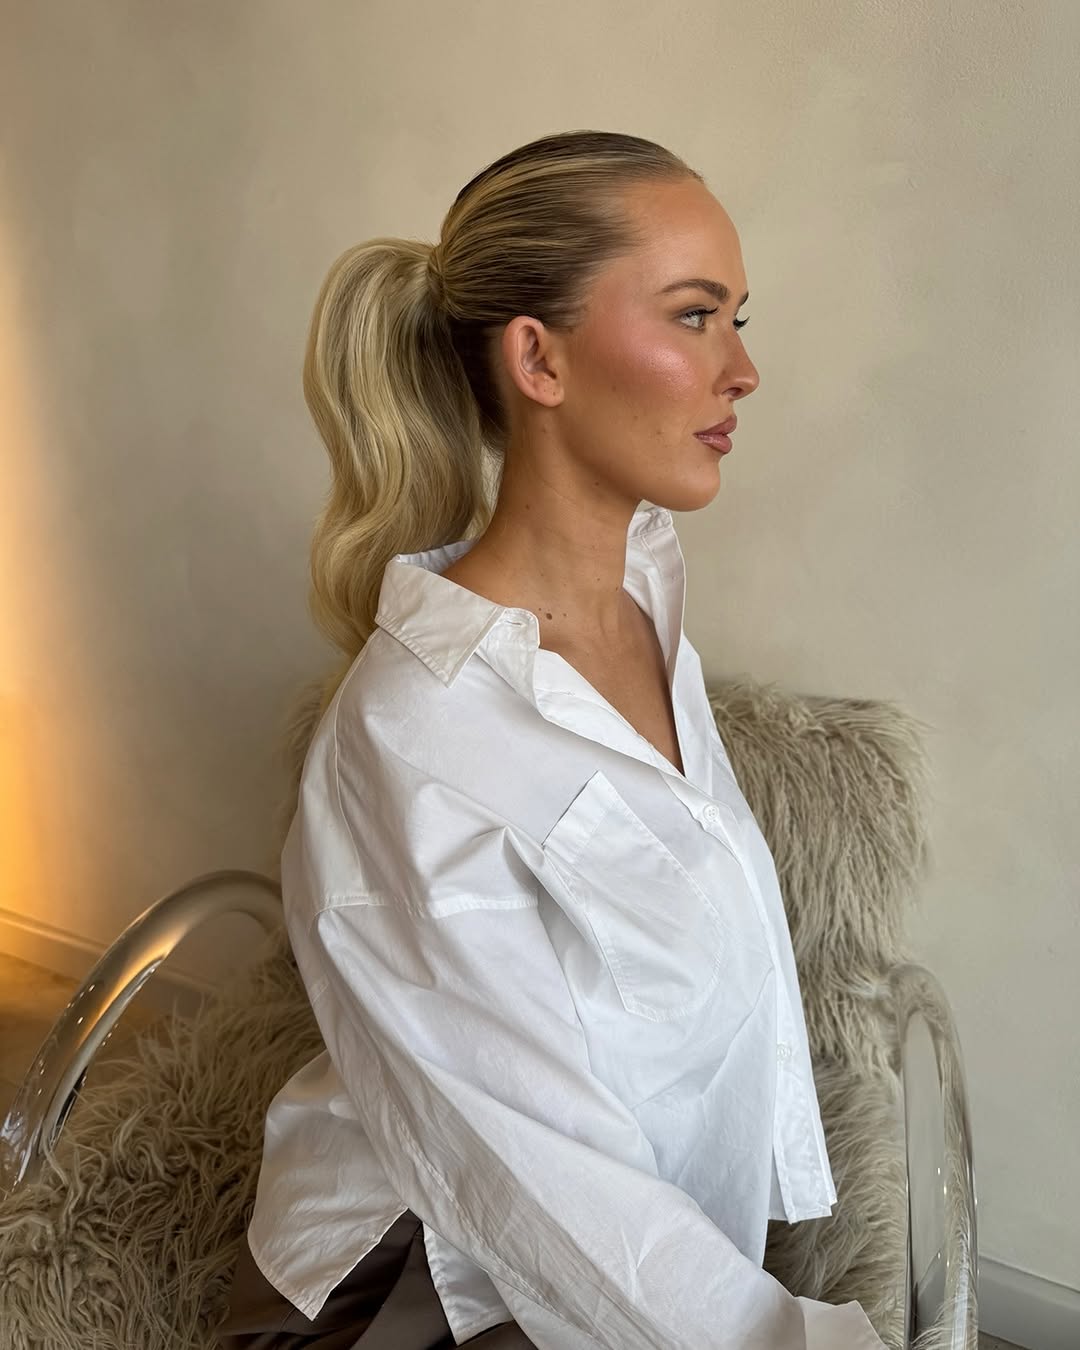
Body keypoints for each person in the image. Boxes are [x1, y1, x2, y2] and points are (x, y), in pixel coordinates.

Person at [219, 129, 889, 1349]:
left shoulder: (642, 602)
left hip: (623, 1252)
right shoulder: (411, 734)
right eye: (695, 316)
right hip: (423, 1291)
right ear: (539, 357)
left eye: (738, 319)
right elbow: (534, 1184)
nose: (743, 370)